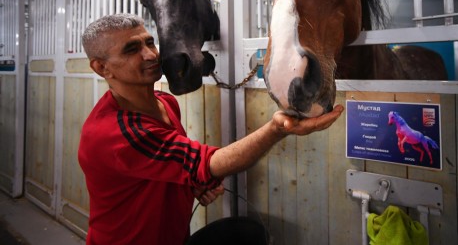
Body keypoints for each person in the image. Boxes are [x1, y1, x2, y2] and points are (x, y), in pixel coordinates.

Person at [78, 13, 344, 245]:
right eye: (131, 49)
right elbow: (205, 163)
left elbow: (171, 165)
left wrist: (193, 185)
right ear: (101, 68)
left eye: (149, 42)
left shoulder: (166, 102)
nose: (150, 55)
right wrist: (277, 128)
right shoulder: (117, 132)